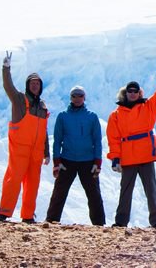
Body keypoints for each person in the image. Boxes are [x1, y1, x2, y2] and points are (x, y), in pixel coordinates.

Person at [107, 56, 156, 228]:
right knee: (125, 191)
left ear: (139, 93)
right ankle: (121, 222)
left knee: (151, 191)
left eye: (135, 91)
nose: (132, 93)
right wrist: (115, 158)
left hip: (145, 155)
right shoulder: (116, 115)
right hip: (128, 157)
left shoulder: (148, 107)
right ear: (125, 93)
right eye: (130, 91)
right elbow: (113, 138)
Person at [0, 52, 50, 223]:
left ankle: (27, 216)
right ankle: (4, 213)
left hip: (36, 152)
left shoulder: (42, 105)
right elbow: (8, 86)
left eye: (37, 84)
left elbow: (44, 131)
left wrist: (46, 152)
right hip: (20, 149)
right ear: (28, 85)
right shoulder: (19, 100)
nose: (35, 86)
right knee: (13, 179)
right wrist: (6, 68)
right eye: (32, 83)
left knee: (33, 184)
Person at [45, 85, 105, 225]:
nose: (77, 99)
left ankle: (99, 224)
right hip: (67, 160)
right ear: (70, 98)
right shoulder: (63, 116)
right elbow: (57, 140)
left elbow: (97, 140)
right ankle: (52, 220)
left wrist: (98, 162)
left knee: (94, 194)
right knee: (59, 192)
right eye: (74, 96)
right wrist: (56, 161)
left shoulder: (92, 117)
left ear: (84, 98)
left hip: (88, 161)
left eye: (80, 96)